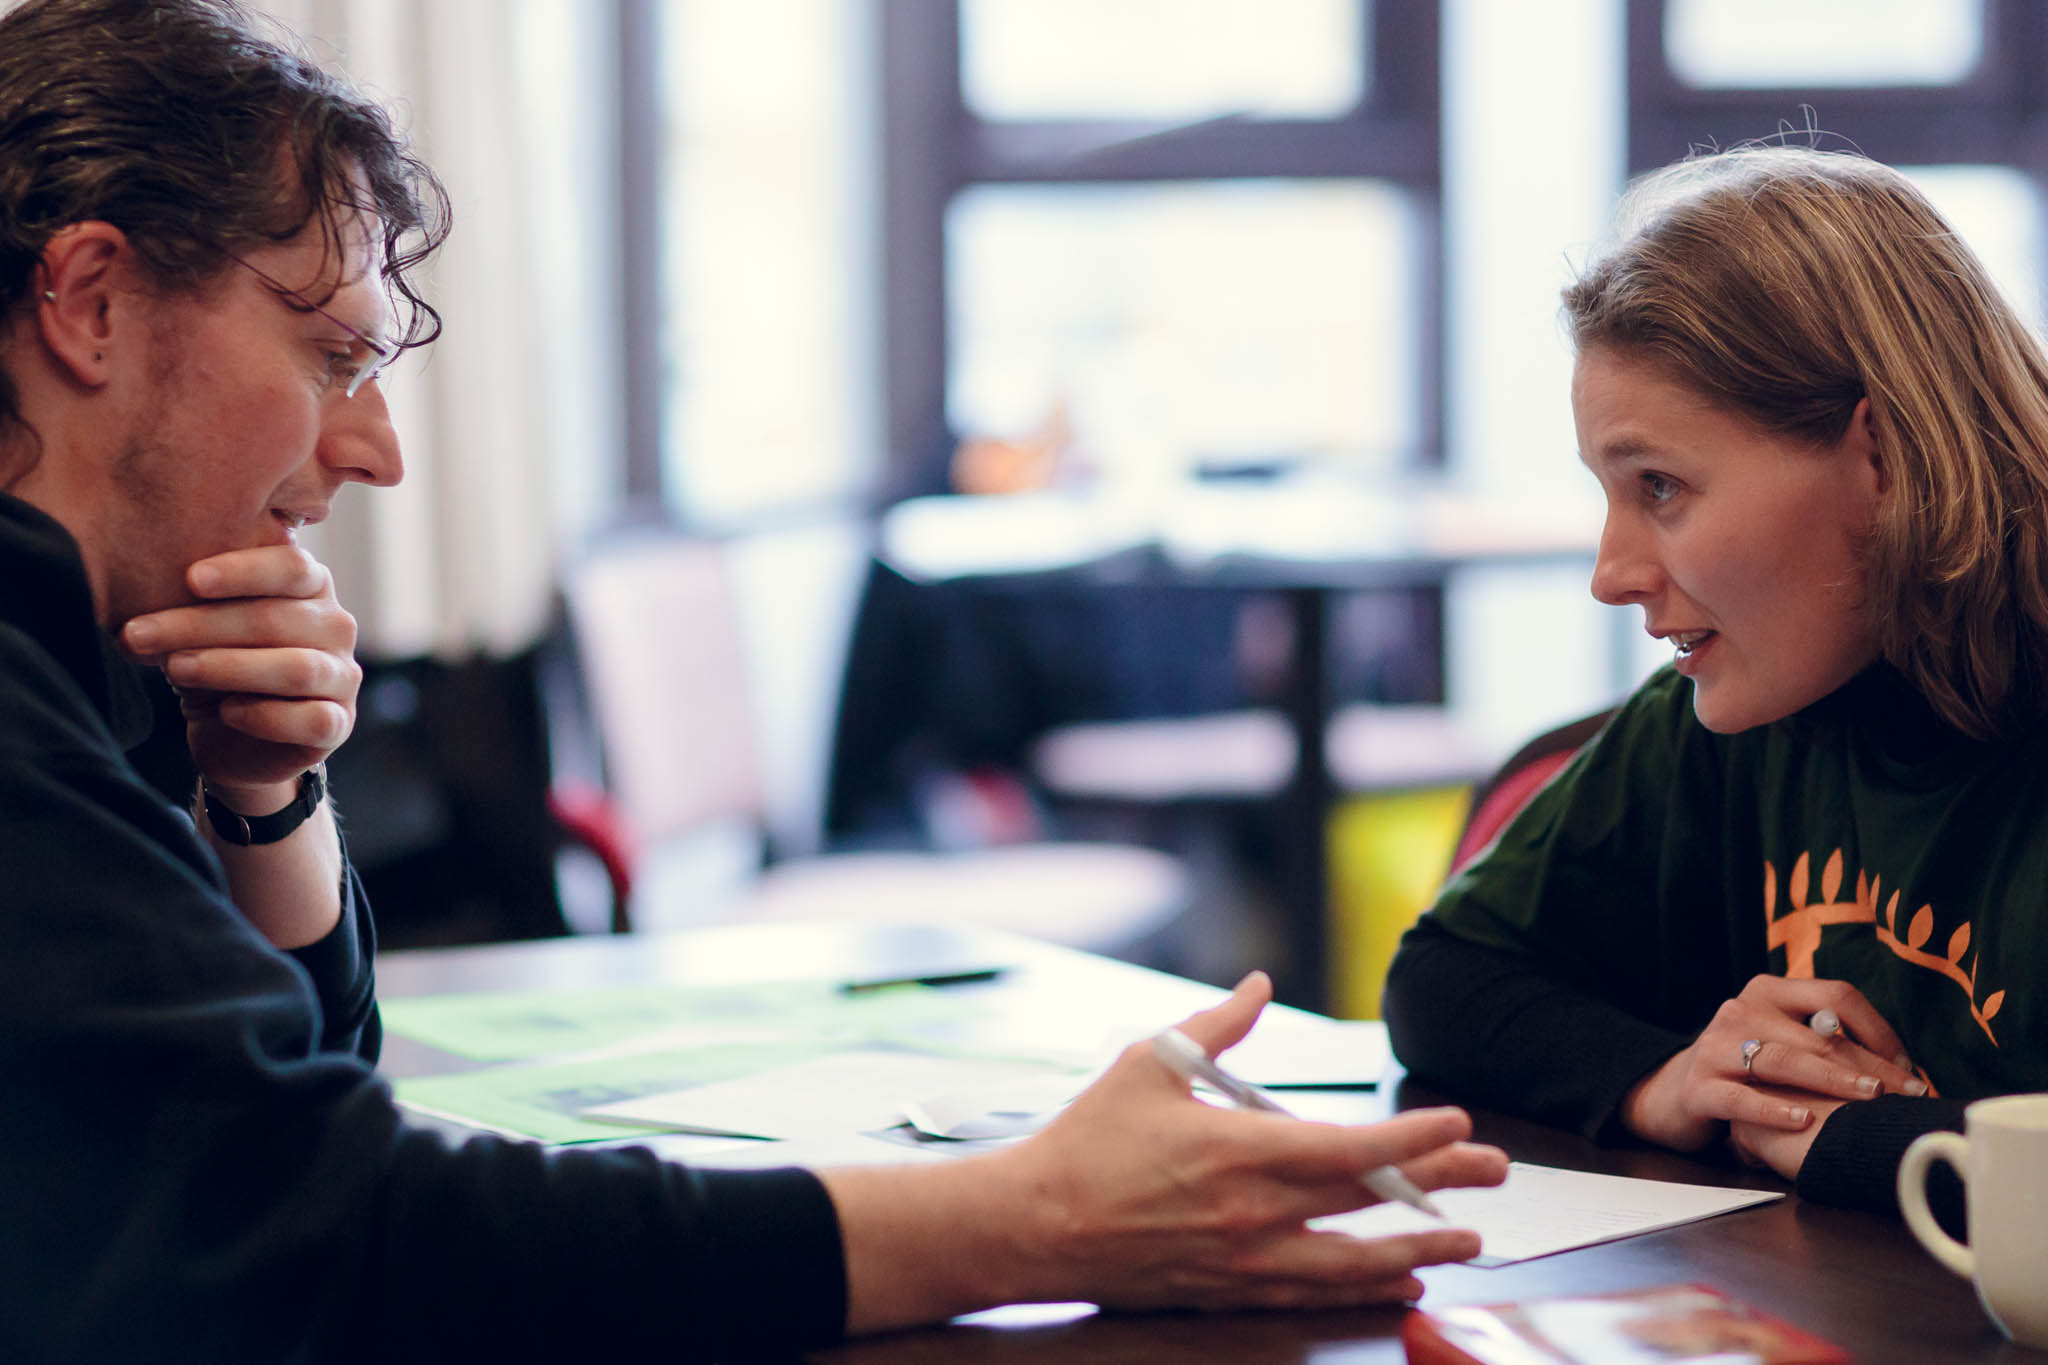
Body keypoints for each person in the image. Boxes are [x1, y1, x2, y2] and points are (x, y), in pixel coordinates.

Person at [0, 2, 1506, 1359]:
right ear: (93, 301)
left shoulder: (86, 647)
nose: (377, 450)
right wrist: (1032, 1217)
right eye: (333, 355)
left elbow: (278, 1124)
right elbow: (335, 1242)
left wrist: (264, 797)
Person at [1383, 141, 2048, 1225]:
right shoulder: (1746, 710)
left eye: (1660, 486)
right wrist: (1675, 1082)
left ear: (1880, 457)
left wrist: (1840, 1136)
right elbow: (1445, 978)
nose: (1610, 575)